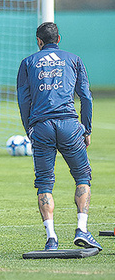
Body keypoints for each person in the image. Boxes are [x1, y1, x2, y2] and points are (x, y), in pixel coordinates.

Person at [17, 22, 101, 251]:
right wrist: (87, 128)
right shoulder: (73, 59)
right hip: (69, 125)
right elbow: (86, 97)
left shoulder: (28, 63)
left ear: (38, 41)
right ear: (59, 39)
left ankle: (51, 238)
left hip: (41, 126)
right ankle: (81, 229)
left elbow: (24, 100)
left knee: (44, 183)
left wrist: (29, 130)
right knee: (82, 176)